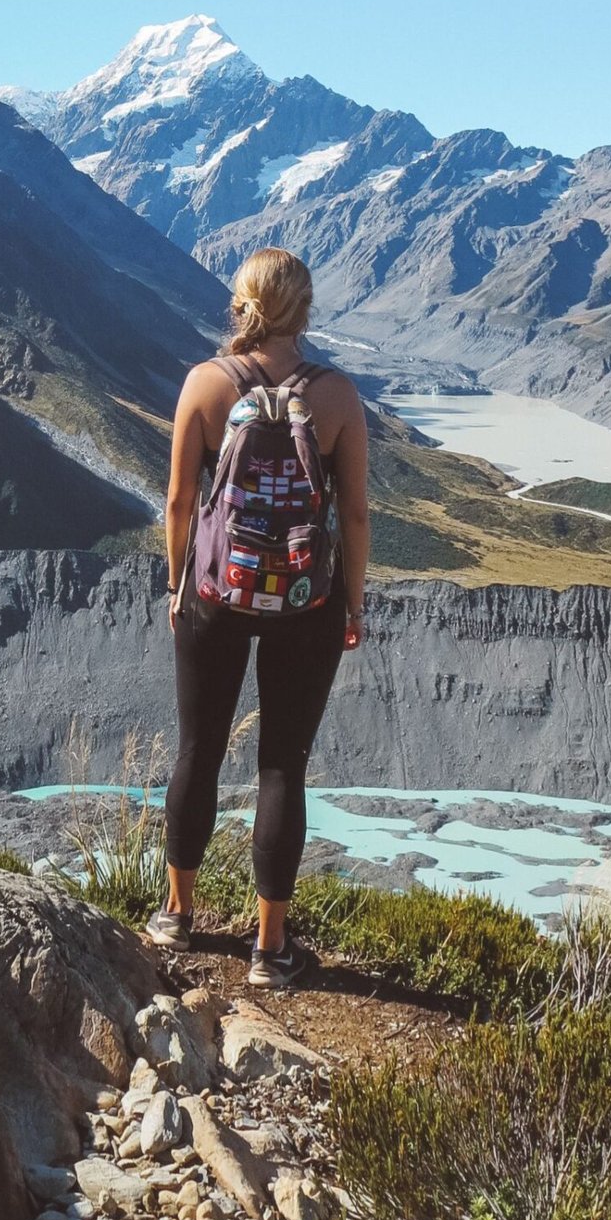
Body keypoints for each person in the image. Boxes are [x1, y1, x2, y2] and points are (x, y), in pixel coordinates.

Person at [148, 247, 370, 988]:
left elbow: (180, 500)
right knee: (282, 765)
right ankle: (269, 951)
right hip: (307, 599)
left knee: (197, 750)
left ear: (240, 304)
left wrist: (179, 582)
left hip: (217, 590)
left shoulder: (206, 384)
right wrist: (354, 599)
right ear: (304, 309)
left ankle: (176, 916)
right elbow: (356, 513)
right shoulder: (337, 397)